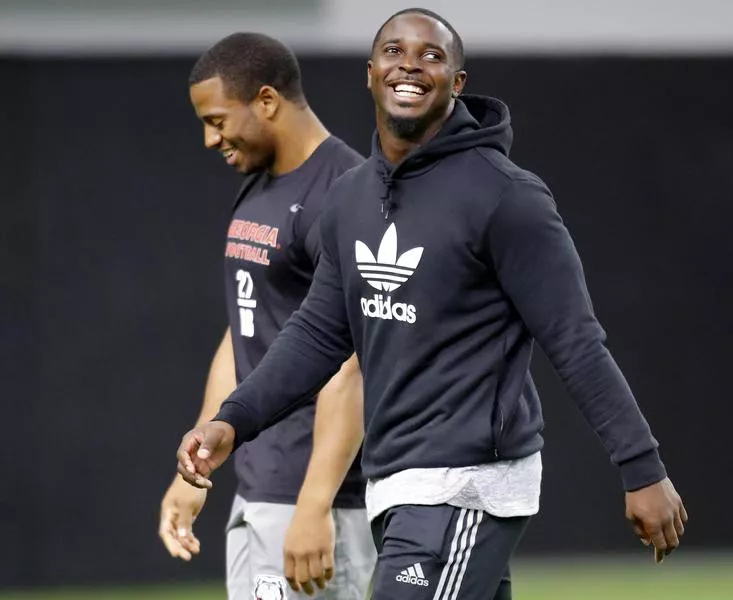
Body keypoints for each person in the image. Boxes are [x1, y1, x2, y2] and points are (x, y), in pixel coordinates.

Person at [177, 10, 688, 600]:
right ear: (370, 74)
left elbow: (575, 341)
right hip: (394, 484)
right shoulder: (350, 200)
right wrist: (232, 421)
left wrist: (642, 468)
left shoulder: (506, 197)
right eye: (394, 52)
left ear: (457, 82)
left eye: (432, 55)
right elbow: (317, 335)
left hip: (469, 482)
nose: (411, 65)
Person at [158, 32, 376, 600]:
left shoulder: (343, 196)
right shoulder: (258, 188)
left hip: (312, 500)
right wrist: (198, 467)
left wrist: (314, 505)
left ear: (266, 100)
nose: (210, 139)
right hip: (257, 490)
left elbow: (350, 364)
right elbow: (246, 328)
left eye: (217, 119)